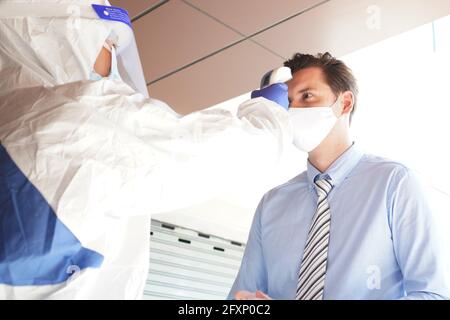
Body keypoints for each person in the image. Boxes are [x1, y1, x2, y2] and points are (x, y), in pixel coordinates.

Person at [0, 0, 302, 299]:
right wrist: (268, 115)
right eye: (107, 46)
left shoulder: (15, 116)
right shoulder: (67, 120)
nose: (112, 66)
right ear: (60, 41)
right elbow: (208, 154)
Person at [229, 52, 450, 300]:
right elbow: (240, 297)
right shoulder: (271, 204)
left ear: (344, 103)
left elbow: (434, 294)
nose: (294, 110)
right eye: (288, 102)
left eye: (307, 96)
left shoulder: (395, 184)